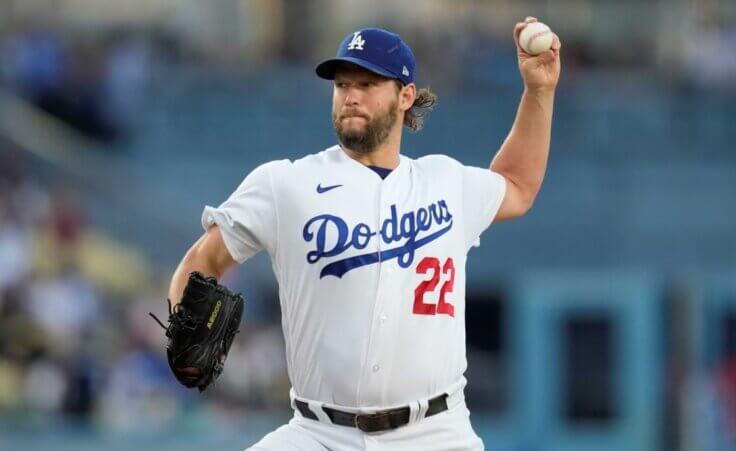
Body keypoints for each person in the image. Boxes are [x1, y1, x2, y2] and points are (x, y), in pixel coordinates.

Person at [168, 17, 561, 451]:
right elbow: (205, 259)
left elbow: (518, 186)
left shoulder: (445, 183)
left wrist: (538, 91)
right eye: (342, 85)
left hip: (435, 433)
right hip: (318, 432)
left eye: (367, 84)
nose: (350, 96)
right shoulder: (285, 185)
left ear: (405, 96)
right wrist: (181, 332)